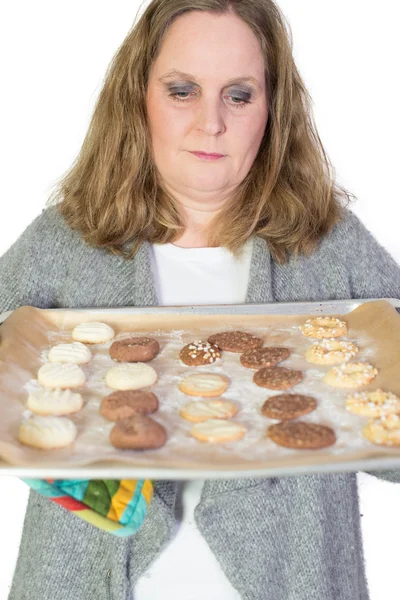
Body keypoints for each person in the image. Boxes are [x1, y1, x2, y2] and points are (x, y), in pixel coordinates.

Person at [1, 1, 400, 599]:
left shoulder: (330, 246)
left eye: (239, 95)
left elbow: (387, 445)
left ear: (273, 108)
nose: (210, 122)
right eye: (183, 90)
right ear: (139, 97)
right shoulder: (63, 243)